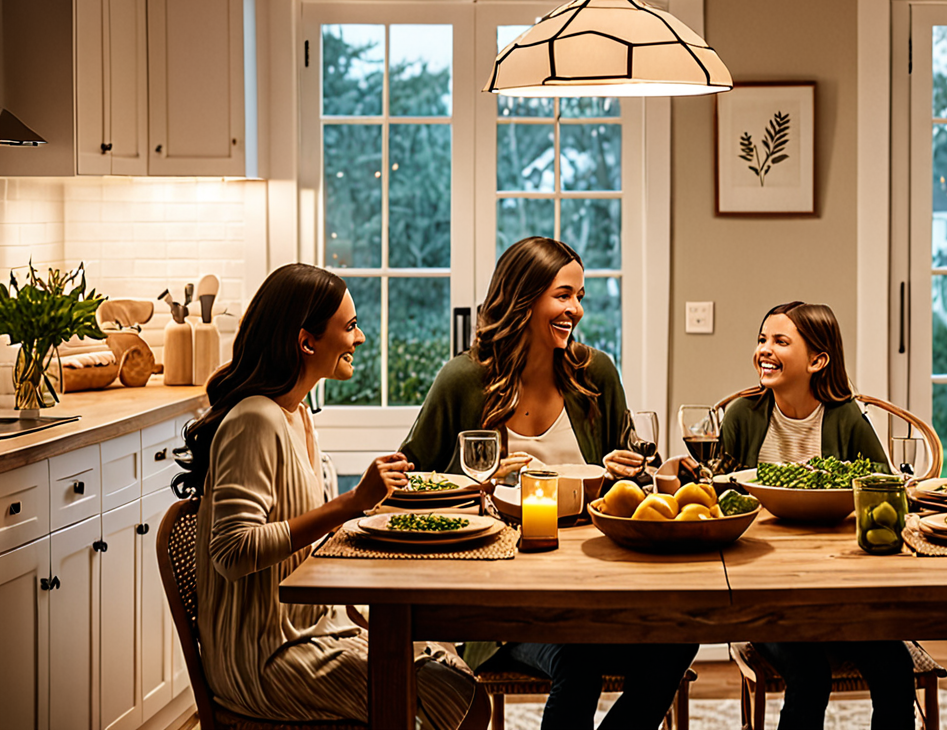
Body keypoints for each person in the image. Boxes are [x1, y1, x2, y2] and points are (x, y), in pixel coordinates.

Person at [400, 235, 697, 730]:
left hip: (596, 586)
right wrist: (476, 486)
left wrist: (634, 473)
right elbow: (409, 482)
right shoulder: (462, 381)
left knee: (682, 636)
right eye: (563, 295)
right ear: (522, 298)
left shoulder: (595, 373)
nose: (575, 310)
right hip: (506, 601)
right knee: (578, 660)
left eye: (580, 296)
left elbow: (634, 482)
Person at [173, 263, 479, 729]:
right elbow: (232, 553)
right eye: (350, 326)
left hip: (314, 630)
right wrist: (354, 502)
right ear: (306, 341)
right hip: (265, 657)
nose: (359, 339)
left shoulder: (297, 414)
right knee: (447, 692)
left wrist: (363, 512)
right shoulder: (255, 419)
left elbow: (308, 531)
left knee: (458, 681)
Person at [720, 301, 914, 730]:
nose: (764, 350)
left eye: (780, 341)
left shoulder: (845, 417)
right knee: (810, 675)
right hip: (766, 594)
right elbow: (719, 502)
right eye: (761, 339)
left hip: (841, 593)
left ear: (818, 360)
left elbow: (885, 494)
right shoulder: (742, 417)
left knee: (894, 668)